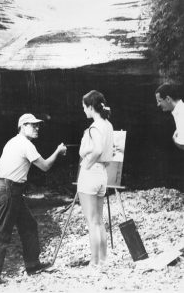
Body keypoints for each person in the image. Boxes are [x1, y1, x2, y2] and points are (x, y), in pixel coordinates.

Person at [0, 113, 67, 284]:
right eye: (33, 125)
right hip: (10, 190)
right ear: (22, 126)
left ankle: (33, 265)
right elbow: (44, 167)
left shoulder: (12, 142)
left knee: (29, 225)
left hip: (8, 189)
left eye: (38, 125)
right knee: (2, 233)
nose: (37, 128)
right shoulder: (25, 144)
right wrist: (58, 151)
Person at [77, 90, 114, 269]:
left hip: (91, 173)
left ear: (91, 107)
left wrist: (86, 165)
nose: (83, 111)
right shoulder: (108, 125)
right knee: (99, 221)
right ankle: (103, 260)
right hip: (103, 174)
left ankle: (94, 262)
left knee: (91, 222)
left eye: (84, 108)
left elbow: (97, 150)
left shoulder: (94, 127)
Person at [155, 83, 184, 150]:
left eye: (159, 101)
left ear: (168, 99)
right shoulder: (179, 110)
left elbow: (183, 145)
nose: (158, 105)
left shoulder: (181, 113)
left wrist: (174, 139)